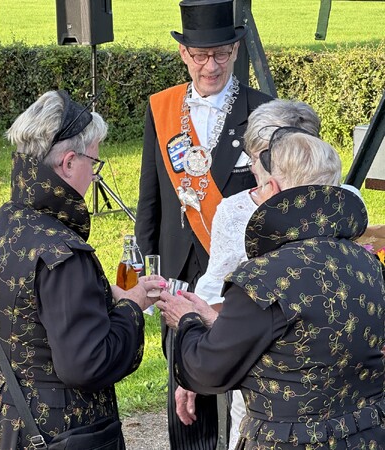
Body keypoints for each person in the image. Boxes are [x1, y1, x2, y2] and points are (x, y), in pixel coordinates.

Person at [0, 90, 161, 450]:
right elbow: (87, 365)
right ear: (69, 163)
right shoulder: (63, 253)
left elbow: (25, 313)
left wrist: (104, 295)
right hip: (46, 431)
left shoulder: (1, 223)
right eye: (94, 163)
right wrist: (131, 305)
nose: (93, 175)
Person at [156, 128, 385, 449]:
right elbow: (302, 339)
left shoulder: (264, 278)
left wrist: (187, 321)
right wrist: (213, 318)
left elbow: (208, 372)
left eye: (260, 185)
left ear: (274, 189)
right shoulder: (367, 265)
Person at [134, 0, 273, 448]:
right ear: (184, 55)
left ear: (235, 51)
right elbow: (150, 197)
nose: (210, 65)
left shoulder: (263, 110)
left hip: (239, 269)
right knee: (184, 375)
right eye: (200, 56)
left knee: (238, 377)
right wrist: (145, 270)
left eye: (221, 54)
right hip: (178, 262)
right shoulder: (162, 109)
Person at [174, 99, 322, 449]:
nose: (256, 169)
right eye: (256, 158)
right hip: (262, 384)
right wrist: (196, 370)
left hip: (330, 376)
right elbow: (215, 291)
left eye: (262, 159)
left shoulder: (342, 205)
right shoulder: (236, 210)